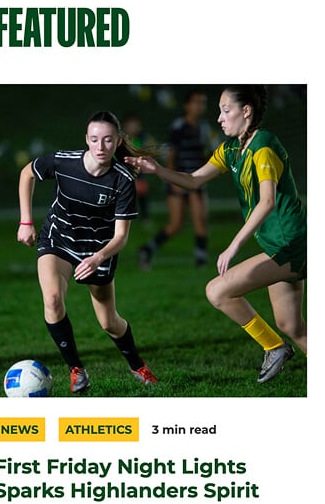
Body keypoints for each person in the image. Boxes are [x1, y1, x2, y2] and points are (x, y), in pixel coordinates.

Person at [125, 86, 307, 384]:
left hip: (290, 246)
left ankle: (273, 348)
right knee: (292, 325)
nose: (219, 118)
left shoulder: (263, 146)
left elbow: (267, 201)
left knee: (217, 290)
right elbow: (194, 180)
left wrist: (233, 246)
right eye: (219, 110)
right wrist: (156, 170)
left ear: (246, 111)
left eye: (226, 110)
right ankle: (278, 345)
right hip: (280, 246)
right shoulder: (232, 149)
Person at [17, 110, 157, 394]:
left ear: (117, 141)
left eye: (107, 140)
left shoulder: (122, 180)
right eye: (94, 139)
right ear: (86, 140)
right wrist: (26, 221)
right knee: (53, 299)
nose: (100, 146)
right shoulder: (63, 162)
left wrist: (97, 258)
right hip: (59, 238)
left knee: (109, 322)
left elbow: (121, 237)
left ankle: (137, 365)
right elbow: (26, 173)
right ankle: (76, 370)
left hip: (99, 250)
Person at [138, 89, 215, 269]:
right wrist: (173, 182)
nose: (199, 106)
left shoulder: (204, 129)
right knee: (175, 224)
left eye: (202, 102)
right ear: (187, 105)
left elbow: (207, 155)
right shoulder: (178, 126)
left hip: (196, 180)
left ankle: (201, 263)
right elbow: (171, 155)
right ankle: (147, 249)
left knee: (200, 220)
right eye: (196, 102)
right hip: (179, 180)